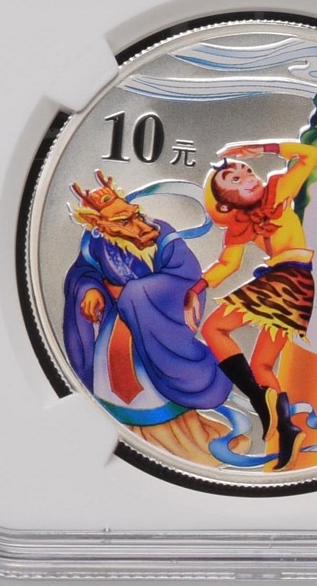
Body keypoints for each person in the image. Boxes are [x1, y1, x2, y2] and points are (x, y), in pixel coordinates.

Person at [64, 171, 235, 466]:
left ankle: (182, 441)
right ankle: (122, 441)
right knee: (114, 380)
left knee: (156, 380)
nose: (136, 224)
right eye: (123, 221)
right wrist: (90, 290)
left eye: (133, 215)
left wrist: (136, 294)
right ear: (100, 224)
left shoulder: (161, 234)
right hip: (116, 331)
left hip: (157, 325)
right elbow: (83, 273)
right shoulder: (94, 243)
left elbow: (185, 274)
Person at [184, 140, 317, 470]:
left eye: (246, 170)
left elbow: (311, 154)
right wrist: (197, 287)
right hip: (292, 285)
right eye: (235, 179)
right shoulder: (239, 226)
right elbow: (227, 265)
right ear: (225, 202)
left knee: (215, 328)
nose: (248, 176)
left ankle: (262, 403)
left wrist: (264, 147)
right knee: (262, 366)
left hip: (289, 279)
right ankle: (287, 430)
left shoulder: (278, 191)